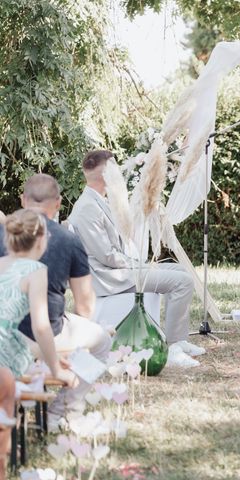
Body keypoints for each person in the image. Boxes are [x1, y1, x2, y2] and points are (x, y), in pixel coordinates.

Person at [68, 150, 202, 367]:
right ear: (106, 175)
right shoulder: (87, 208)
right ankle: (173, 348)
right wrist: (139, 264)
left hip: (117, 269)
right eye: (115, 170)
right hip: (109, 277)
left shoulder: (98, 201)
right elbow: (108, 257)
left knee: (179, 270)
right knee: (183, 282)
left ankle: (180, 339)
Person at [0, 174, 111, 427]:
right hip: (45, 334)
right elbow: (84, 305)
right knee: (102, 341)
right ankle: (60, 412)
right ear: (59, 203)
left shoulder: (3, 232)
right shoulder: (68, 239)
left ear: (22, 200)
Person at [0, 209, 77, 479]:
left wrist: (48, 357)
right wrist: (55, 369)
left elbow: (5, 327)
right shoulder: (36, 270)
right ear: (42, 239)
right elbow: (41, 327)